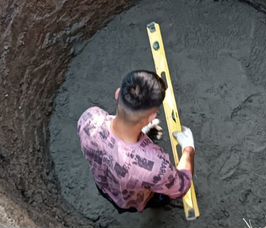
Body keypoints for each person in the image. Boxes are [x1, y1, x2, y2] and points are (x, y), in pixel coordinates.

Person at [77, 70, 196, 213]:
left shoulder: (89, 119)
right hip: (135, 200)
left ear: (117, 93)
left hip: (105, 187)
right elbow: (182, 186)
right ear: (152, 117)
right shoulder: (156, 167)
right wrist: (188, 149)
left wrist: (141, 130)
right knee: (159, 198)